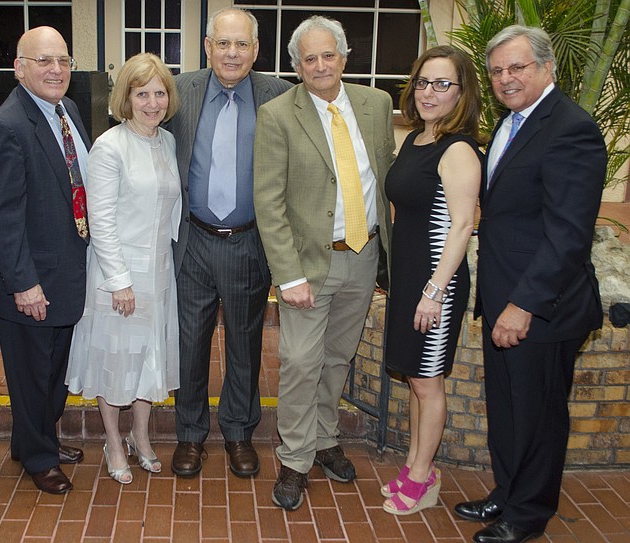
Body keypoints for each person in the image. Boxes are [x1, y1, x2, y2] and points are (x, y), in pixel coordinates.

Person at [453, 25, 606, 543]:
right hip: (501, 298)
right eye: (497, 71)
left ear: (546, 68)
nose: (505, 78)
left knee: (538, 416)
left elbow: (568, 235)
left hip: (542, 308)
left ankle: (528, 514)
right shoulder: (511, 123)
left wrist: (523, 304)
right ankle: (507, 492)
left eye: (517, 67)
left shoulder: (570, 128)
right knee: (508, 408)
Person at [254, 15, 395, 511]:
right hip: (308, 266)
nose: (319, 65)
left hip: (363, 256)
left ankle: (324, 436)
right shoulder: (276, 115)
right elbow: (268, 203)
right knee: (299, 362)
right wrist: (288, 276)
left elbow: (386, 179)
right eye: (308, 58)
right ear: (296, 65)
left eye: (327, 55)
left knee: (337, 356)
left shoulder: (377, 105)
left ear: (343, 57)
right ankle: (295, 459)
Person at [163, 7, 292, 479]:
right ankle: (190, 435)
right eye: (223, 43)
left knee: (245, 343)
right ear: (207, 47)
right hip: (193, 240)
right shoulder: (180, 92)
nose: (232, 53)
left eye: (241, 45)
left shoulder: (280, 95)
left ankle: (238, 432)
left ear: (256, 50)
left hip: (248, 243)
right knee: (190, 343)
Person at [0, 26, 90, 495]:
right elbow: (2, 217)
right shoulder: (7, 126)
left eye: (63, 60)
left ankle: (36, 440)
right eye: (43, 61)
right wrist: (23, 283)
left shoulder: (68, 111)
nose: (56, 70)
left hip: (65, 272)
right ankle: (39, 458)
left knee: (53, 375)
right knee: (32, 377)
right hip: (31, 283)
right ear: (19, 67)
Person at [66, 53, 181, 485]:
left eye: (159, 93)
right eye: (142, 93)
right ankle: (114, 441)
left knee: (149, 355)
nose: (152, 102)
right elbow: (102, 220)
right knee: (116, 358)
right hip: (120, 273)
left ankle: (141, 435)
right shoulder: (110, 146)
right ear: (126, 98)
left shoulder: (166, 141)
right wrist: (119, 281)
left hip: (159, 270)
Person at [381, 45, 484, 515]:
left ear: (462, 93)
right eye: (423, 82)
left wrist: (433, 291)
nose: (428, 92)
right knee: (416, 379)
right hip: (408, 279)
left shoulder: (458, 149)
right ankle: (414, 465)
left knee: (428, 381)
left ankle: (423, 478)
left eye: (442, 84)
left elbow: (462, 225)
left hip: (434, 284)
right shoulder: (417, 140)